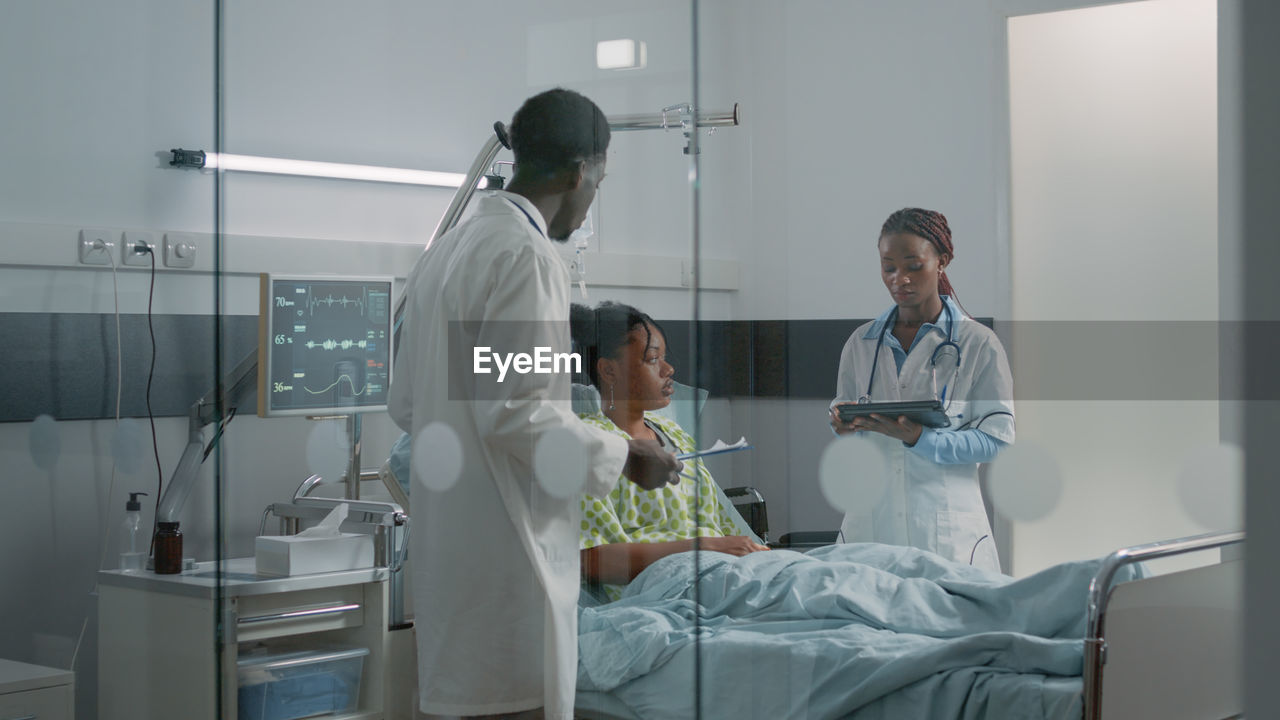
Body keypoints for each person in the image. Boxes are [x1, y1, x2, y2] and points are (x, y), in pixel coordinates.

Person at [389, 89, 681, 720]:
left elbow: (407, 404)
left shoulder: (443, 255)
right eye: (598, 182)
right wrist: (628, 455)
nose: (590, 198)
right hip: (508, 571)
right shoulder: (526, 257)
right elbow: (519, 413)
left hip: (453, 572)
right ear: (581, 171)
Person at [828, 207, 1015, 572]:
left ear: (942, 261)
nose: (900, 279)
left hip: (946, 534)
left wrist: (920, 439)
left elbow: (997, 440)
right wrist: (841, 423)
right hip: (870, 524)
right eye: (889, 267)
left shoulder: (978, 344)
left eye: (914, 265)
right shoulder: (860, 343)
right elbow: (847, 413)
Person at [570, 301, 769, 602]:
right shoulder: (591, 445)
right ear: (609, 370)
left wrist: (758, 554)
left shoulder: (674, 434)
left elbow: (727, 528)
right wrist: (705, 547)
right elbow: (591, 559)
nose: (669, 369)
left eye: (665, 357)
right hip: (669, 589)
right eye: (652, 359)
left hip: (728, 569)